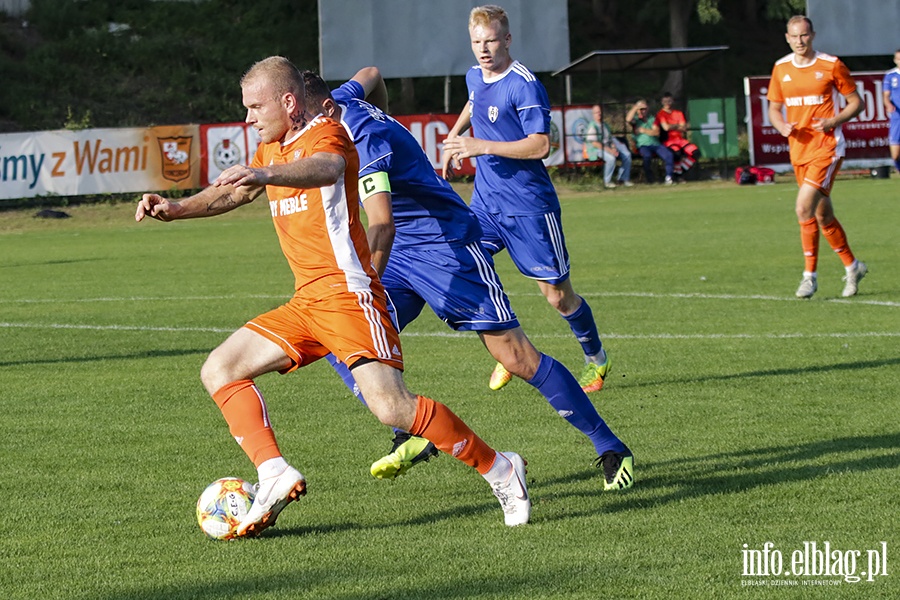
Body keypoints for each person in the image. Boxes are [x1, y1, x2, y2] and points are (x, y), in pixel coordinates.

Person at [134, 56, 531, 531]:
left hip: (348, 296)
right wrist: (176, 208)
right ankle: (273, 472)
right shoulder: (271, 148)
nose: (248, 118)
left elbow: (325, 168)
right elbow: (233, 194)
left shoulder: (328, 135)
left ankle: (502, 469)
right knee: (220, 368)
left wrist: (265, 176)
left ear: (287, 102)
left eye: (255, 107)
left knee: (392, 407)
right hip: (307, 302)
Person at [303, 68, 634, 489]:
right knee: (339, 338)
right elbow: (371, 73)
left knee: (516, 358)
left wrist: (362, 288)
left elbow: (381, 224)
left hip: (446, 247)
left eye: (307, 122)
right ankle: (408, 433)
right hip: (405, 252)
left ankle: (611, 447)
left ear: (327, 108)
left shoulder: (364, 137)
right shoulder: (341, 101)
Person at [441, 4, 611, 395]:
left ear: (507, 39)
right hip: (486, 203)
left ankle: (596, 358)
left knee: (558, 296)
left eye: (491, 41)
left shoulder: (524, 83)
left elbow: (540, 145)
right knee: (466, 265)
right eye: (476, 42)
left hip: (529, 208)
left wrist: (478, 145)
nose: (483, 50)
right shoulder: (474, 74)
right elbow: (473, 99)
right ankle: (512, 352)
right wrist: (454, 139)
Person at [767, 16, 868, 299]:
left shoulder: (830, 64)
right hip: (799, 150)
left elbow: (856, 103)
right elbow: (774, 109)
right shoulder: (781, 68)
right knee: (823, 214)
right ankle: (853, 266)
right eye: (794, 37)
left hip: (827, 148)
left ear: (813, 35)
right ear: (787, 37)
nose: (800, 42)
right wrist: (781, 125)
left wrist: (834, 120)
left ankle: (809, 277)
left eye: (804, 36)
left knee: (803, 208)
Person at [583, 103, 633, 189]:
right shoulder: (593, 126)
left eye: (600, 112)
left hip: (607, 147)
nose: (599, 114)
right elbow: (595, 143)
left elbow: (610, 139)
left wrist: (613, 148)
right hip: (595, 149)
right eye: (596, 112)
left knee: (627, 155)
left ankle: (623, 179)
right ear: (593, 114)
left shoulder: (605, 125)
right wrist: (610, 151)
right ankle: (607, 182)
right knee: (611, 159)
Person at [625, 98, 674, 185]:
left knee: (669, 155)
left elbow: (656, 132)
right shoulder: (635, 120)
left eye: (645, 109)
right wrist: (636, 107)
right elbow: (628, 119)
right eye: (641, 109)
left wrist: (643, 130)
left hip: (656, 144)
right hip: (643, 145)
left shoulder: (652, 119)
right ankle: (650, 180)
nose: (643, 111)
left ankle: (669, 177)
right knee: (647, 157)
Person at [656, 92, 700, 181]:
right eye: (665, 101)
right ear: (662, 102)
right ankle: (677, 176)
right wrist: (677, 126)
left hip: (680, 140)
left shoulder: (678, 113)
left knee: (696, 153)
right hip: (669, 141)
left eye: (669, 101)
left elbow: (683, 128)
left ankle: (679, 172)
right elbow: (666, 127)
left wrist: (673, 126)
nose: (667, 103)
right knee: (676, 154)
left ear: (672, 101)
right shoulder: (661, 114)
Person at [883, 49, 900, 174]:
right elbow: (886, 95)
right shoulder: (890, 75)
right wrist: (888, 104)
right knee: (895, 155)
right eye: (898, 58)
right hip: (897, 118)